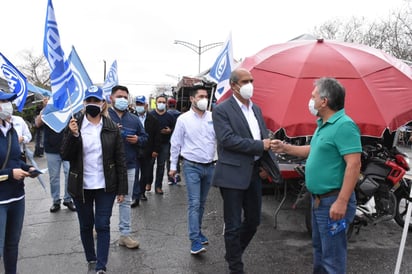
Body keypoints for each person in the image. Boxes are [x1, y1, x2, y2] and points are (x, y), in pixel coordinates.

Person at [270, 77, 362, 273]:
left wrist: (342, 202)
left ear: (324, 101)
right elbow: (313, 150)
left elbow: (354, 165)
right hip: (319, 201)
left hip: (333, 202)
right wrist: (285, 147)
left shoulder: (344, 125)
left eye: (313, 96)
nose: (310, 101)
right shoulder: (323, 124)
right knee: (320, 254)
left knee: (333, 260)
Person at [212, 68, 275, 274]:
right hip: (231, 174)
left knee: (254, 221)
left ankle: (233, 253)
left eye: (252, 80)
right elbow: (227, 140)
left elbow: (262, 136)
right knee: (232, 224)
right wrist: (260, 146)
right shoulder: (222, 110)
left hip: (254, 173)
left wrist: (265, 162)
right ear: (233, 85)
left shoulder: (256, 109)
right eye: (245, 81)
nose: (250, 85)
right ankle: (235, 268)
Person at [60, 85, 128, 274]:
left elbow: (120, 159)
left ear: (102, 103)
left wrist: (122, 189)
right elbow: (65, 155)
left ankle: (101, 266)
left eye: (95, 101)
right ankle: (91, 258)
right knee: (86, 225)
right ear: (84, 103)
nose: (92, 104)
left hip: (106, 186)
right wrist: (73, 135)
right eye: (88, 101)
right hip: (80, 185)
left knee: (102, 225)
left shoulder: (111, 128)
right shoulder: (75, 124)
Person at [169, 85, 216, 255]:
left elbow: (219, 140)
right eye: (201, 96)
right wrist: (173, 166)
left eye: (206, 96)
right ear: (192, 99)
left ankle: (199, 231)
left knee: (202, 203)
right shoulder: (183, 119)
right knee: (194, 203)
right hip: (191, 166)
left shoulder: (213, 117)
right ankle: (194, 241)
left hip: (209, 167)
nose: (204, 99)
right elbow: (176, 143)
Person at [0, 91, 38, 274]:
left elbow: (15, 160)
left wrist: (28, 168)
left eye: (8, 101)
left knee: (12, 245)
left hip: (17, 197)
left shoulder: (12, 130)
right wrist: (9, 174)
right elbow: (10, 170)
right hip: (0, 201)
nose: (8, 105)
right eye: (4, 101)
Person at [108, 85, 147, 249]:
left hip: (129, 165)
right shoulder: (104, 116)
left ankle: (125, 234)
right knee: (106, 200)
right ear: (111, 98)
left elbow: (145, 137)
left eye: (125, 97)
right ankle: (99, 226)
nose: (122, 100)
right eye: (119, 96)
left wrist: (137, 140)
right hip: (107, 166)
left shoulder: (134, 119)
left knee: (126, 201)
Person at [35, 105, 75, 213]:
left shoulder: (68, 107)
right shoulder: (48, 110)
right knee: (54, 177)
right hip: (52, 149)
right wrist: (44, 109)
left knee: (69, 174)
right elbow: (37, 123)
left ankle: (68, 199)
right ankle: (56, 201)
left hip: (67, 147)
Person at [131, 95, 161, 206]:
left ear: (146, 105)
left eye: (141, 104)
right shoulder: (131, 117)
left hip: (148, 151)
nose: (139, 106)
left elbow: (157, 137)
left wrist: (155, 150)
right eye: (137, 104)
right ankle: (135, 195)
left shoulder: (153, 120)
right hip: (134, 150)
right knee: (134, 173)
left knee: (145, 174)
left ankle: (142, 192)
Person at [148, 94, 175, 194]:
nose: (161, 104)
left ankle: (158, 186)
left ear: (166, 104)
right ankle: (148, 182)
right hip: (152, 145)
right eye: (159, 102)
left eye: (163, 102)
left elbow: (175, 129)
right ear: (156, 103)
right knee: (149, 164)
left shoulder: (170, 117)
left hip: (164, 144)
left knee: (161, 165)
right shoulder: (150, 115)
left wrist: (170, 131)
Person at [166, 97, 182, 185]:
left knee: (169, 158)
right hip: (179, 140)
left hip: (167, 140)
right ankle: (177, 175)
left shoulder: (166, 114)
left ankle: (170, 177)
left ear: (168, 105)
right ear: (175, 105)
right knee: (177, 157)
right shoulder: (180, 115)